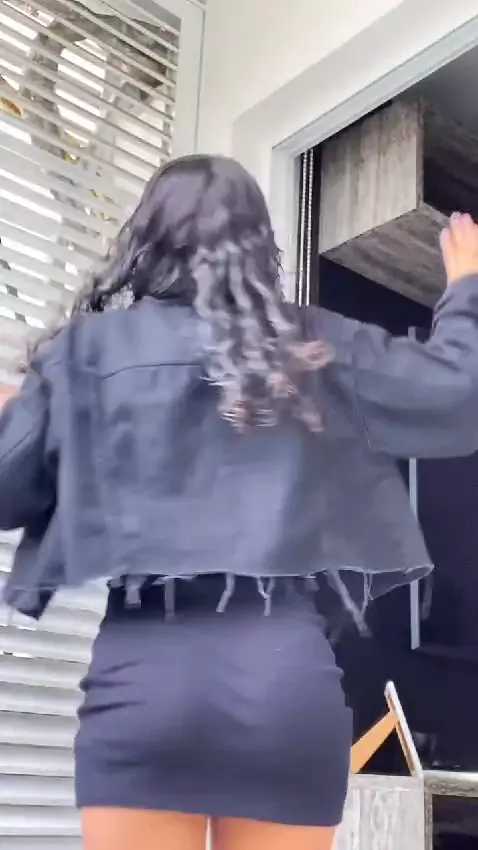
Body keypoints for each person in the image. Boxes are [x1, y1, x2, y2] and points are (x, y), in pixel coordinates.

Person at [1, 157, 478, 850]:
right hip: (284, 688)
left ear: (146, 241)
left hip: (144, 687)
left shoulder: (87, 355)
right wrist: (465, 287)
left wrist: (20, 411)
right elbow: (458, 399)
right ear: (258, 247)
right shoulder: (315, 344)